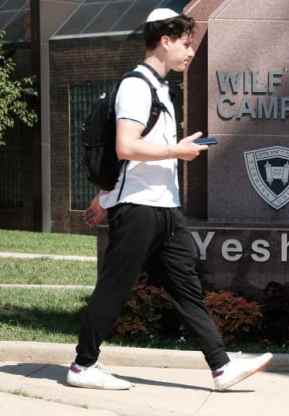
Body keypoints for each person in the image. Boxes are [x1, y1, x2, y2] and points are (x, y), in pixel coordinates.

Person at [67, 8, 272, 391]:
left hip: (163, 207)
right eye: (186, 42)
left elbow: (133, 152)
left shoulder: (163, 88)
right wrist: (176, 151)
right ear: (164, 40)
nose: (190, 51)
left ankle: (221, 367)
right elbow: (126, 146)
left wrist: (103, 194)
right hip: (140, 208)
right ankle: (82, 365)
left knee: (186, 287)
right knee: (115, 285)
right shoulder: (137, 86)